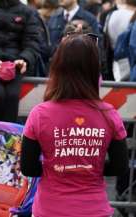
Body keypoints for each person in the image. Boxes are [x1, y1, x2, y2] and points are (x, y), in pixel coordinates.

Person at [20, 34, 129, 217]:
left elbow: (28, 167)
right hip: (94, 210)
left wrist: (55, 168)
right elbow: (120, 166)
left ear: (57, 67)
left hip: (49, 209)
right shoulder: (109, 114)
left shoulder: (40, 114)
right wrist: (90, 168)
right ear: (95, 70)